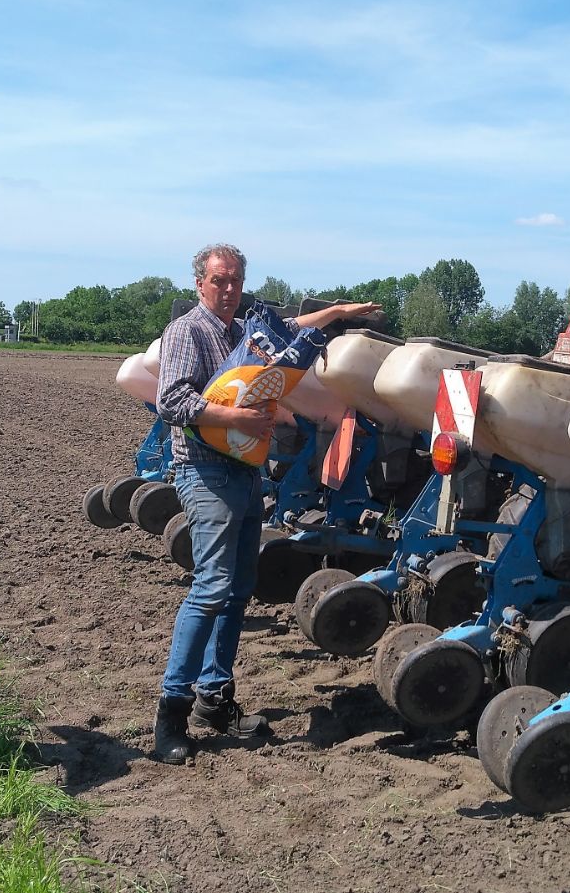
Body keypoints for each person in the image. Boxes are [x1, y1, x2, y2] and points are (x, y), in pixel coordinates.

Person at [151, 244, 380, 764]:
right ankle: (171, 713)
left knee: (238, 589)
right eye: (219, 280)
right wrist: (236, 419)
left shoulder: (241, 332)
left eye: (236, 280)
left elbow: (290, 325)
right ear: (200, 283)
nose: (229, 288)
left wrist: (337, 313)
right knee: (211, 586)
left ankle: (214, 698)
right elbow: (171, 401)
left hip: (244, 470)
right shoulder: (188, 331)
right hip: (205, 471)